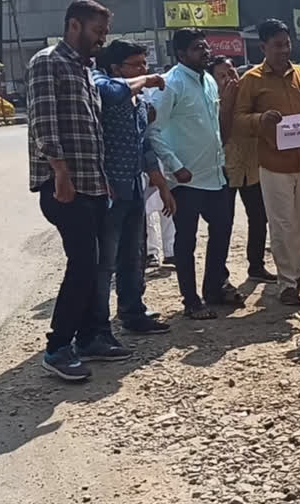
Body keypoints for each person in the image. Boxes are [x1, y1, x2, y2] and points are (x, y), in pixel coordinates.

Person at [26, 0, 113, 380]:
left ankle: (89, 337)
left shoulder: (84, 70)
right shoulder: (48, 62)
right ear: (74, 26)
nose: (101, 40)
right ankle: (58, 347)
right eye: (97, 32)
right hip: (64, 185)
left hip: (91, 183)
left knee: (92, 266)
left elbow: (91, 130)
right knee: (81, 265)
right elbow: (44, 124)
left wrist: (102, 176)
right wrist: (60, 172)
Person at [148, 28, 244, 319]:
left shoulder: (210, 83)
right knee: (185, 242)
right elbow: (153, 131)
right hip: (186, 180)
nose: (204, 52)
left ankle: (214, 287)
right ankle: (191, 300)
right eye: (196, 48)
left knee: (222, 233)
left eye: (204, 47)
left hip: (215, 175)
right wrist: (176, 166)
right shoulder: (170, 85)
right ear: (180, 54)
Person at [234, 19, 300, 306]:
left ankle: (298, 272)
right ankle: (287, 283)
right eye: (277, 45)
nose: (284, 50)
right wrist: (261, 119)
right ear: (263, 47)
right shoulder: (252, 80)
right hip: (274, 164)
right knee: (282, 224)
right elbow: (238, 119)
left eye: (286, 44)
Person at [90, 39, 174, 348]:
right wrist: (146, 81)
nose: (143, 70)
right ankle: (97, 329)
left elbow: (144, 145)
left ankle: (132, 311)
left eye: (144, 65)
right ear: (115, 68)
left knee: (132, 257)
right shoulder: (100, 82)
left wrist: (161, 184)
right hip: (109, 191)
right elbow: (111, 93)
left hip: (133, 188)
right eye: (135, 65)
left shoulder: (139, 101)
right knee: (105, 262)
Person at [208, 55, 276, 283]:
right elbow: (220, 133)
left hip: (252, 165)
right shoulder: (211, 102)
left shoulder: (248, 97)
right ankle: (220, 275)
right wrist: (226, 104)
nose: (230, 79)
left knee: (259, 217)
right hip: (226, 168)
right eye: (222, 75)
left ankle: (256, 266)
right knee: (223, 222)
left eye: (232, 72)